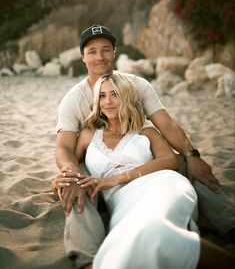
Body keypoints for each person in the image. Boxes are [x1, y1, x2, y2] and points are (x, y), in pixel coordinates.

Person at [54, 24, 235, 269]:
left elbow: (165, 124)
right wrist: (69, 172)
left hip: (142, 160)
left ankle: (230, 225)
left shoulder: (137, 85)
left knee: (188, 163)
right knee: (76, 185)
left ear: (114, 52)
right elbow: (64, 147)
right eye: (92, 51)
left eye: (106, 50)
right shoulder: (74, 99)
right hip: (92, 160)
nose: (100, 57)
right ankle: (87, 258)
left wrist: (191, 154)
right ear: (83, 56)